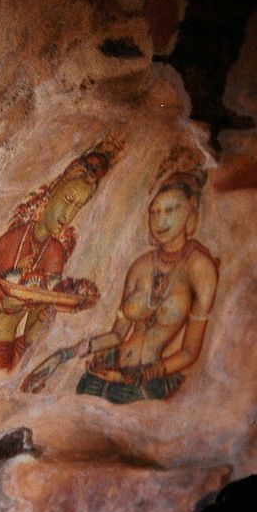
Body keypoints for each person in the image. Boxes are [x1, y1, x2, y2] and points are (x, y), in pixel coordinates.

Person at [23, 170, 219, 403]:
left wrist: (139, 376)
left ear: (190, 213)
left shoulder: (200, 268)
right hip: (103, 377)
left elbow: (189, 352)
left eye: (170, 210)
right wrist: (64, 355)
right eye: (154, 212)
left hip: (146, 387)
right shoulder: (141, 266)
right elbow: (117, 334)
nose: (159, 220)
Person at [0, 140, 121, 371]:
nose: (68, 214)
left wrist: (47, 312)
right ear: (53, 193)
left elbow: (32, 335)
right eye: (68, 201)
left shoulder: (55, 254)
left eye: (77, 207)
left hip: (0, 350)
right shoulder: (12, 238)